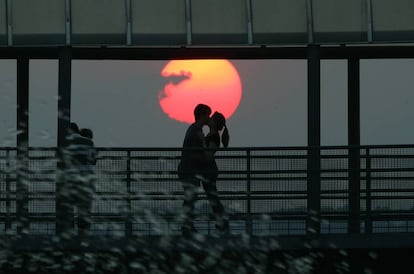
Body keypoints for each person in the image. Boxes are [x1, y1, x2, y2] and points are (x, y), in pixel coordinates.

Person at [177, 104, 212, 235]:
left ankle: (187, 225)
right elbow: (203, 152)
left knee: (190, 198)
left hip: (187, 169)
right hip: (190, 170)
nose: (209, 118)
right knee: (190, 198)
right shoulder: (197, 130)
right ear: (202, 115)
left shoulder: (193, 128)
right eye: (207, 115)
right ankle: (187, 226)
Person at [59, 123, 97, 237]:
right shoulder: (89, 142)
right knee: (84, 209)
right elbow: (93, 160)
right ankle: (83, 235)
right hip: (87, 180)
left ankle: (69, 234)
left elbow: (63, 161)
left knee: (69, 208)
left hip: (71, 179)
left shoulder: (66, 143)